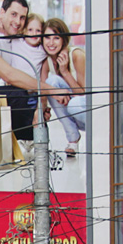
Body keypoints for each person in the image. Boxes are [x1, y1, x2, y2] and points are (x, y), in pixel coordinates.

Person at [0, 0, 69, 151]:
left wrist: (39, 108)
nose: (18, 21)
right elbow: (9, 75)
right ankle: (24, 141)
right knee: (20, 94)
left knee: (35, 107)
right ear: (2, 12)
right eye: (13, 14)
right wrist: (52, 90)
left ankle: (33, 143)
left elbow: (41, 43)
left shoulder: (14, 39)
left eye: (22, 17)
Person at [40, 17, 87, 155]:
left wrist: (65, 72)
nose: (51, 43)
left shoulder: (76, 55)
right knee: (51, 83)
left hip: (87, 111)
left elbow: (84, 94)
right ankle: (73, 138)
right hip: (73, 115)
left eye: (56, 38)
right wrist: (42, 111)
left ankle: (95, 136)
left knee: (74, 103)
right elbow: (43, 92)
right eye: (47, 37)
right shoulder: (46, 62)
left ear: (63, 39)